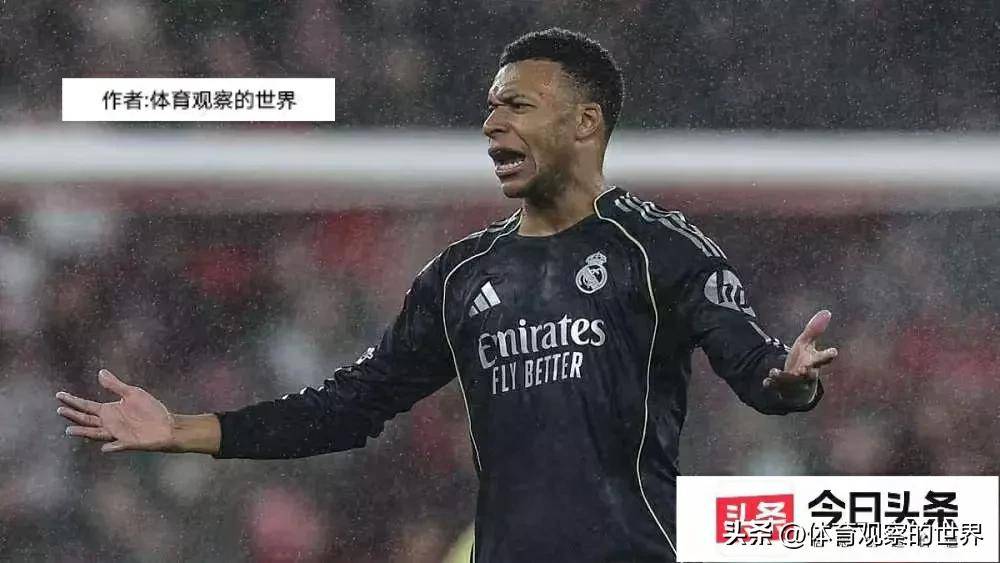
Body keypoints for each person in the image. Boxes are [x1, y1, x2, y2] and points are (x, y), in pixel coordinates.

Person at [56, 28, 838, 563]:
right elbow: (348, 406)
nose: (494, 124)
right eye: (492, 107)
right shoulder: (461, 276)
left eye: (519, 106)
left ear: (585, 123)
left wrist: (790, 378)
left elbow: (754, 366)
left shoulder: (659, 250)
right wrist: (183, 428)